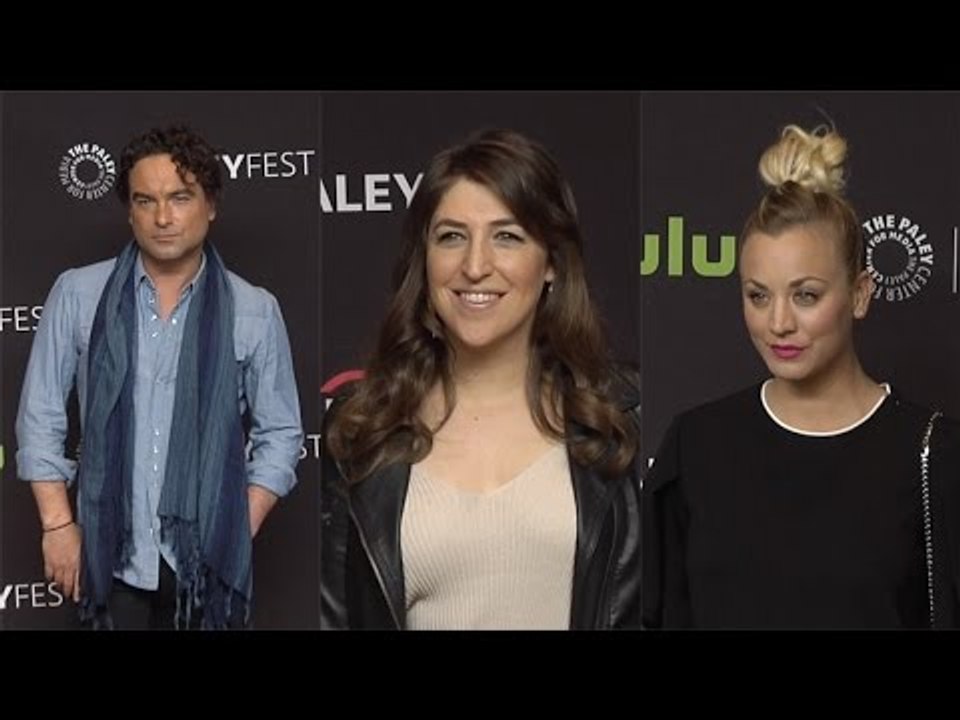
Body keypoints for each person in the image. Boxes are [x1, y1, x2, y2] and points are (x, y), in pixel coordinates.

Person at [321, 128, 641, 629]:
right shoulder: (362, 428)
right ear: (424, 260)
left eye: (506, 237)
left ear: (552, 263)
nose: (475, 266)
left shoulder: (615, 418)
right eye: (451, 237)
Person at [642, 124, 960, 629]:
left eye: (806, 295)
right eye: (758, 295)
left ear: (859, 294)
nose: (779, 323)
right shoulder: (696, 446)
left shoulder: (934, 456)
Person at [15, 124, 304, 629]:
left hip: (207, 565)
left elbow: (281, 434)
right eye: (146, 200)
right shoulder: (78, 294)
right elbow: (39, 418)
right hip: (109, 558)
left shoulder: (254, 309)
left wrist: (237, 522)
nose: (164, 217)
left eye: (180, 197)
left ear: (210, 204)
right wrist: (58, 525)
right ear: (129, 209)